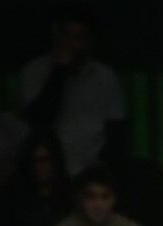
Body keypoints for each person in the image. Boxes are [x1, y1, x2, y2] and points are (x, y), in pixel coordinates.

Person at [20, 9, 126, 176]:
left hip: (92, 170)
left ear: (90, 42)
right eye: (66, 34)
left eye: (80, 37)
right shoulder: (34, 72)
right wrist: (59, 70)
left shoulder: (105, 76)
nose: (71, 42)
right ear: (56, 36)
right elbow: (40, 120)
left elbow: (117, 129)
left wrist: (103, 164)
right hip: (48, 173)